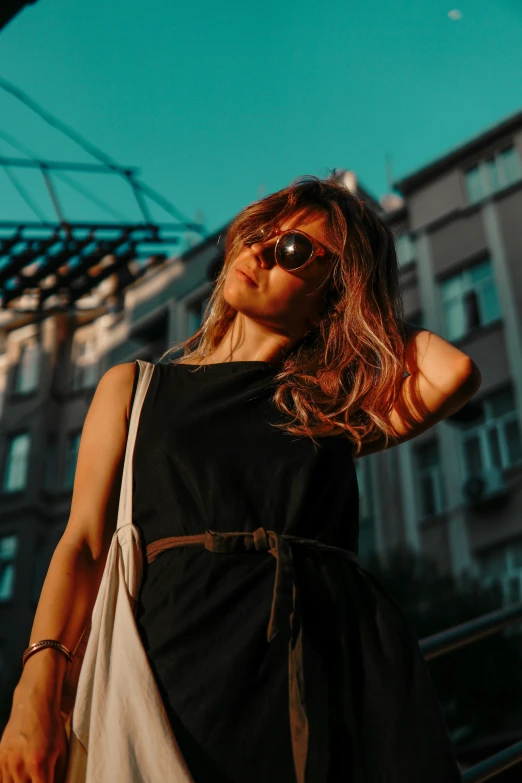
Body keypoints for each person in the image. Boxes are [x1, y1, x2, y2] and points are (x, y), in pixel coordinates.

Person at [0, 175, 480, 782]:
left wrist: (356, 296)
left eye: (293, 251)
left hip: (325, 671)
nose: (258, 250)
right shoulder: (137, 386)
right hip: (174, 669)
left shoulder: (327, 406)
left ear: (335, 295)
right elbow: (85, 544)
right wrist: (36, 688)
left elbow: (452, 370)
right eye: (259, 233)